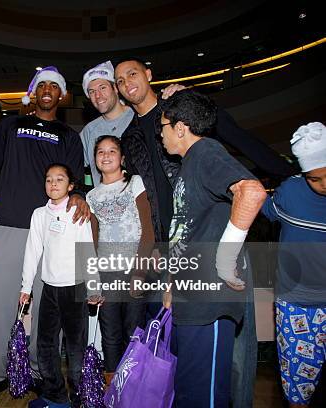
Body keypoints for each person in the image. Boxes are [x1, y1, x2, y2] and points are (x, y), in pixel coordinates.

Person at [115, 58, 295, 407]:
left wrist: (227, 255)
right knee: (191, 377)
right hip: (182, 269)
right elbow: (177, 218)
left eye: (132, 74)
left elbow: (250, 188)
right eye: (119, 80)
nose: (126, 83)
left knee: (224, 370)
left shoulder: (200, 141)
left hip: (214, 274)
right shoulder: (141, 142)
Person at [0, 66, 90, 406]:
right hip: (6, 224)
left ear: (62, 95)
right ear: (33, 93)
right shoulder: (10, 125)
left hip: (51, 233)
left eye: (55, 86)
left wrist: (79, 194)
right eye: (42, 85)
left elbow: (75, 180)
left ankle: (39, 372)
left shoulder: (69, 136)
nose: (49, 90)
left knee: (46, 310)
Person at [159, 90, 266, 407]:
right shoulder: (189, 164)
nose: (160, 134)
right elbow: (187, 230)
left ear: (180, 127)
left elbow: (252, 191)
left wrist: (225, 256)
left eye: (162, 126)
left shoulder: (206, 151)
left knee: (205, 396)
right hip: (189, 295)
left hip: (208, 300)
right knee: (190, 390)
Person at [20, 163, 99, 408]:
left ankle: (78, 397)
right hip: (49, 289)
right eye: (49, 179)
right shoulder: (38, 215)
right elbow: (32, 251)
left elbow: (87, 250)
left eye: (60, 179)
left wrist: (94, 286)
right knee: (45, 343)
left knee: (75, 347)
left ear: (71, 186)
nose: (53, 183)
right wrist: (26, 287)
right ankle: (54, 393)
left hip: (75, 289)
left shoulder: (78, 212)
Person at [261, 122, 326, 408]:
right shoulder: (291, 192)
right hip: (295, 302)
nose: (324, 184)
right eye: (315, 179)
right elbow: (263, 210)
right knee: (299, 386)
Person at [86, 135, 155, 374]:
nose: (106, 155)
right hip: (106, 272)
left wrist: (140, 271)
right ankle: (112, 389)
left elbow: (147, 230)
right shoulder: (91, 196)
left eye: (112, 151)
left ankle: (133, 385)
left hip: (134, 268)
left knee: (133, 331)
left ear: (122, 158)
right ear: (95, 159)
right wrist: (92, 281)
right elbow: (92, 241)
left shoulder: (135, 182)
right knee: (110, 334)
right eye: (100, 152)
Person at [80, 61, 134, 187]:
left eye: (102, 88)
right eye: (92, 92)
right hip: (102, 203)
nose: (98, 96)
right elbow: (71, 165)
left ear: (115, 88)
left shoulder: (136, 118)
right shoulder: (89, 131)